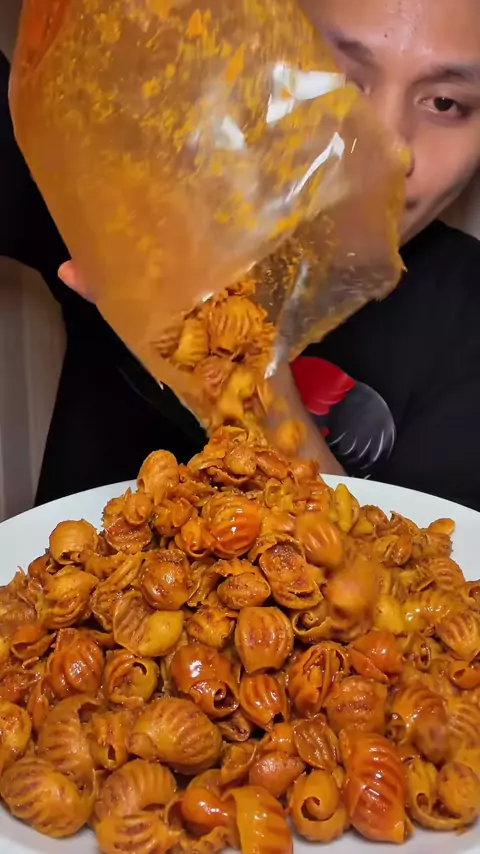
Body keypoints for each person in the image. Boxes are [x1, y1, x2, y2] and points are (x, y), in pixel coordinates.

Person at [2, 0, 480, 508]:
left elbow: (402, 556)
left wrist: (244, 372)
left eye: (445, 103)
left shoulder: (467, 321)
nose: (387, 149)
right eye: (338, 77)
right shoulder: (129, 200)